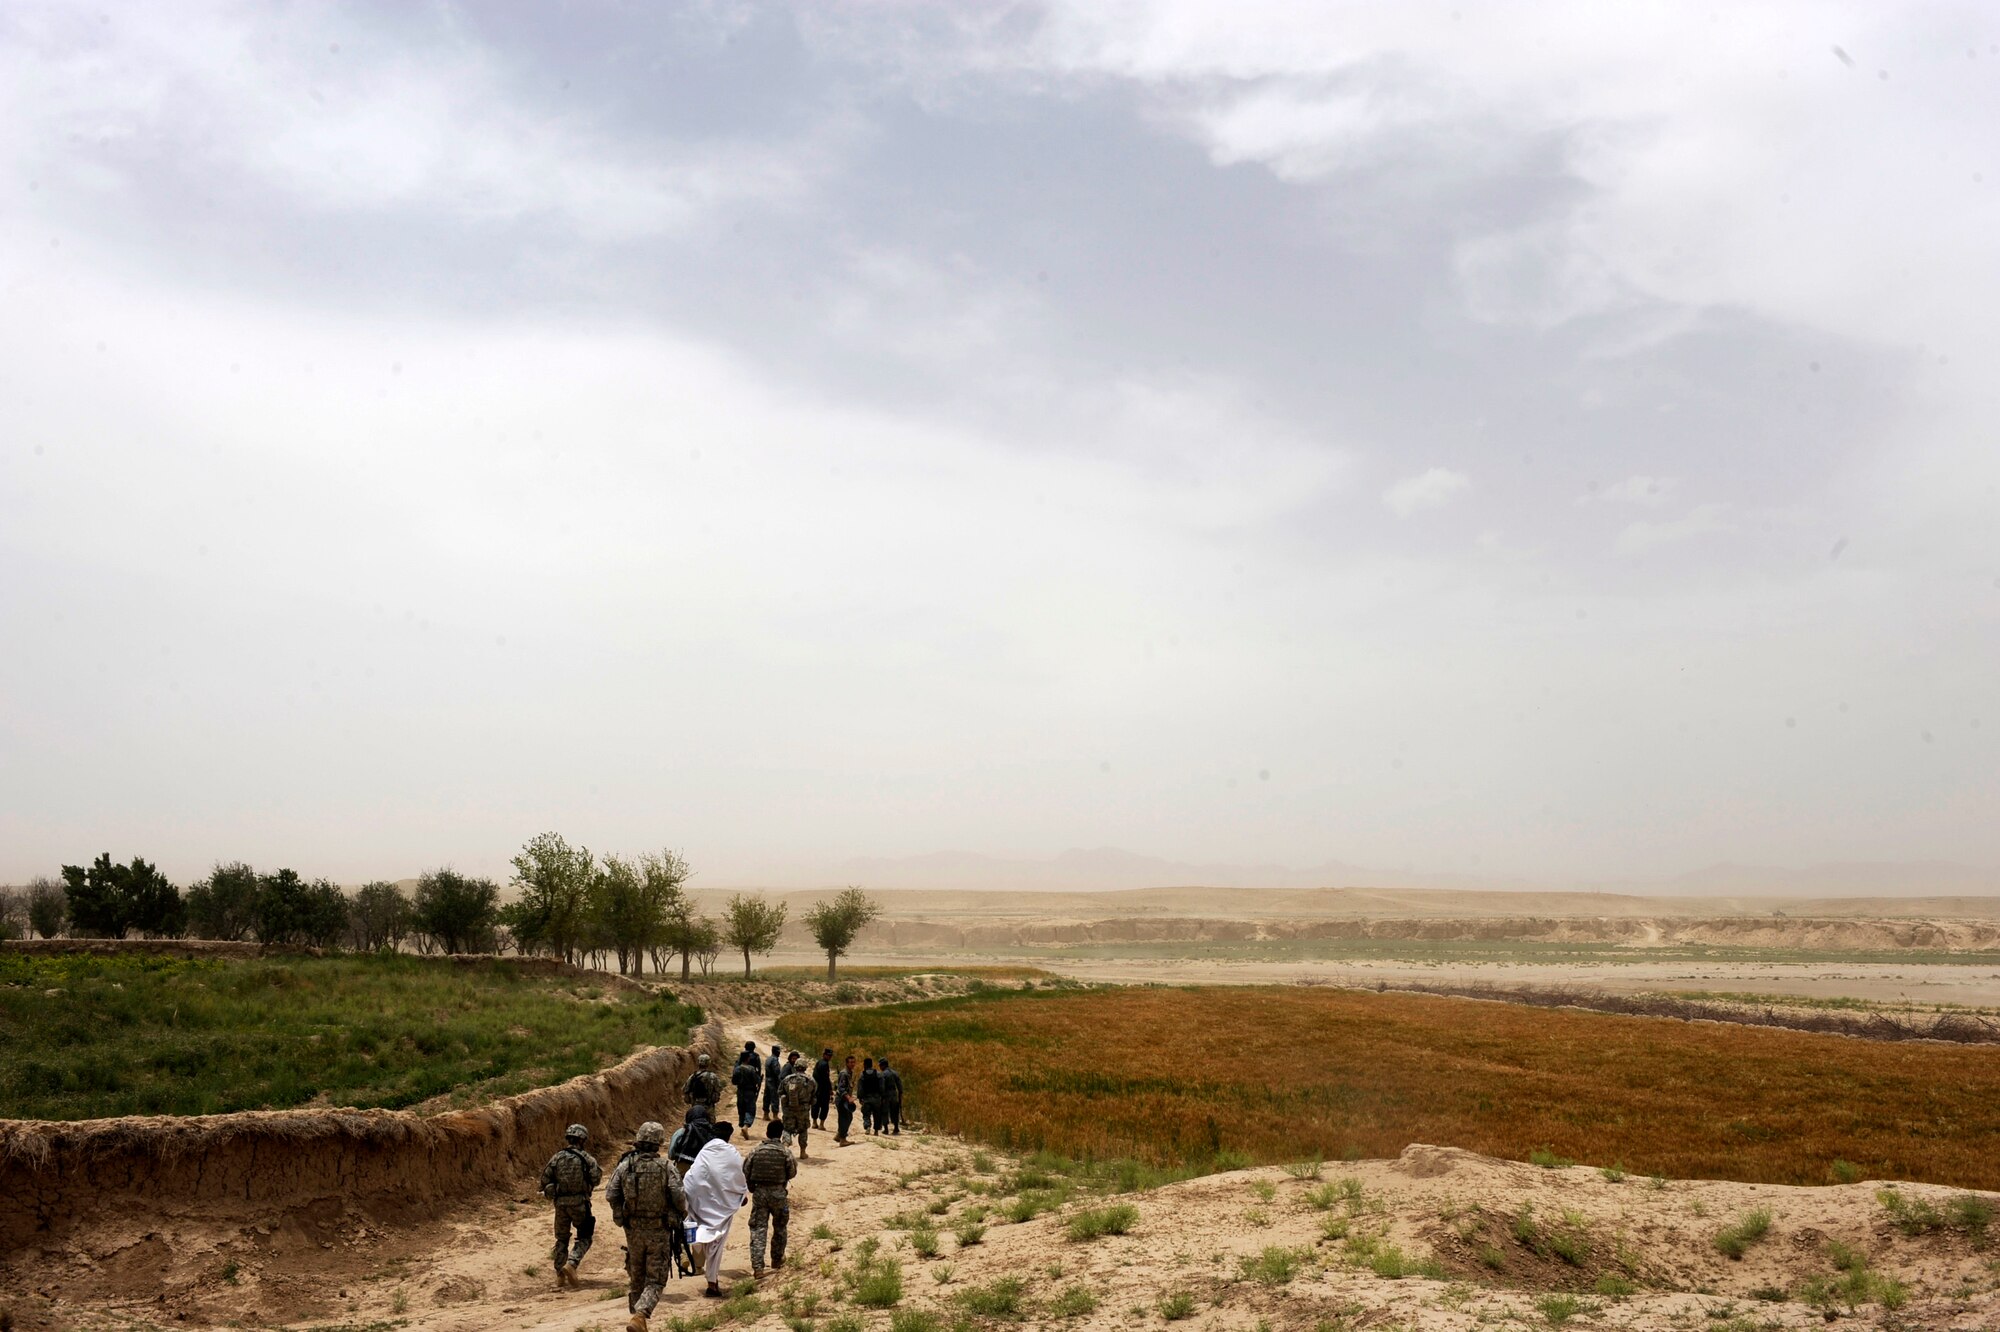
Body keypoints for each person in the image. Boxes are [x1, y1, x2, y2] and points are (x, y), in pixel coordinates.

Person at [605, 1120, 686, 1332]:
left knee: (637, 1277)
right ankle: (640, 1316)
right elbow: (678, 1196)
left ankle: (636, 1319)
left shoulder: (625, 1166)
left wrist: (620, 1216)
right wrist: (680, 1213)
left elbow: (611, 1194)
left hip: (633, 1231)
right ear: (658, 1143)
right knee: (656, 1279)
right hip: (658, 1230)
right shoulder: (667, 1167)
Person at [683, 1121, 748, 1297]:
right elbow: (739, 1177)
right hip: (722, 1207)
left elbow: (692, 1176)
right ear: (729, 1136)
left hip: (700, 1202)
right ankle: (712, 1283)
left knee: (696, 1230)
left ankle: (695, 1250)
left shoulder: (705, 1151)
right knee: (716, 1243)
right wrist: (741, 1196)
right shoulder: (732, 1153)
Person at [541, 1123, 603, 1287]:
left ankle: (560, 1275)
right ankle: (572, 1264)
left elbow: (544, 1181)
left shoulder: (556, 1157)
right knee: (585, 1237)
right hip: (580, 1204)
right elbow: (596, 1179)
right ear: (582, 1140)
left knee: (561, 1239)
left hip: (560, 1205)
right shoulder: (587, 1159)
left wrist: (556, 1190)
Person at [744, 1120, 797, 1278]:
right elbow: (792, 1172)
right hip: (779, 1194)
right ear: (780, 1135)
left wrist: (751, 1186)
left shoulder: (756, 1151)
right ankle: (777, 1259)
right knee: (780, 1227)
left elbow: (746, 1169)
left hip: (760, 1194)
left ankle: (758, 1267)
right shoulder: (785, 1152)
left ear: (767, 1133)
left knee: (758, 1229)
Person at [780, 1051, 816, 1157]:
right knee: (803, 1129)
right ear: (805, 1067)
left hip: (789, 1109)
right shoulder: (811, 1081)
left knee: (787, 1128)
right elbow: (814, 1097)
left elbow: (780, 1093)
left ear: (795, 1066)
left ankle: (785, 1148)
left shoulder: (787, 1079)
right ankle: (803, 1152)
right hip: (803, 1110)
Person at [668, 1104, 712, 1177]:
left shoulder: (681, 1132)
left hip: (683, 1171)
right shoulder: (712, 1133)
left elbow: (671, 1155)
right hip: (706, 1171)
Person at [732, 1044, 762, 1130]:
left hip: (740, 1091)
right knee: (750, 1109)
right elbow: (757, 1080)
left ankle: (741, 1124)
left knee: (741, 1108)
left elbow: (734, 1081)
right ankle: (746, 1125)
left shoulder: (737, 1069)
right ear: (748, 1059)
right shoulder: (752, 1068)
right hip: (750, 1091)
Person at [833, 1054, 858, 1146]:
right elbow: (841, 1088)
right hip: (842, 1099)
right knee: (845, 1118)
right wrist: (849, 1098)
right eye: (851, 1062)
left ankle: (839, 1135)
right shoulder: (844, 1073)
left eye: (854, 1062)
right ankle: (842, 1139)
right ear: (847, 1063)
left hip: (845, 1099)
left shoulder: (850, 1072)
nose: (853, 1064)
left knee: (848, 1117)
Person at [858, 1057, 883, 1135]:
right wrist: (882, 1096)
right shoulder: (878, 1074)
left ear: (865, 1065)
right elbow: (882, 1086)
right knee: (877, 1114)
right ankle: (876, 1130)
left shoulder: (863, 1074)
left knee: (866, 1113)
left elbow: (860, 1087)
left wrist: (860, 1097)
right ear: (872, 1064)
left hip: (867, 1098)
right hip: (876, 1098)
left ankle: (867, 1127)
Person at [880, 1057, 904, 1135]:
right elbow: (900, 1086)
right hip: (894, 1094)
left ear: (883, 1065)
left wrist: (881, 1096)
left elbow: (882, 1086)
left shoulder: (883, 1074)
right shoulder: (895, 1073)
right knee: (895, 1111)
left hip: (886, 1094)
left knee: (884, 1111)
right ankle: (896, 1128)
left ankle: (886, 1129)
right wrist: (900, 1095)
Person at [762, 1043, 785, 1121]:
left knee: (766, 1097)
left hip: (768, 1080)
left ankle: (765, 1114)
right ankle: (775, 1115)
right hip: (773, 1081)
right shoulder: (774, 1060)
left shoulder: (768, 1059)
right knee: (774, 1097)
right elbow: (777, 1071)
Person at [812, 1048, 834, 1129]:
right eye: (828, 1055)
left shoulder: (819, 1062)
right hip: (823, 1089)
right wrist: (830, 1089)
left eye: (830, 1056)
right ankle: (821, 1124)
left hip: (817, 1087)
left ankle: (814, 1122)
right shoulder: (824, 1064)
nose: (829, 1057)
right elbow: (826, 1078)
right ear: (824, 1055)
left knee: (815, 1105)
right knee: (824, 1106)